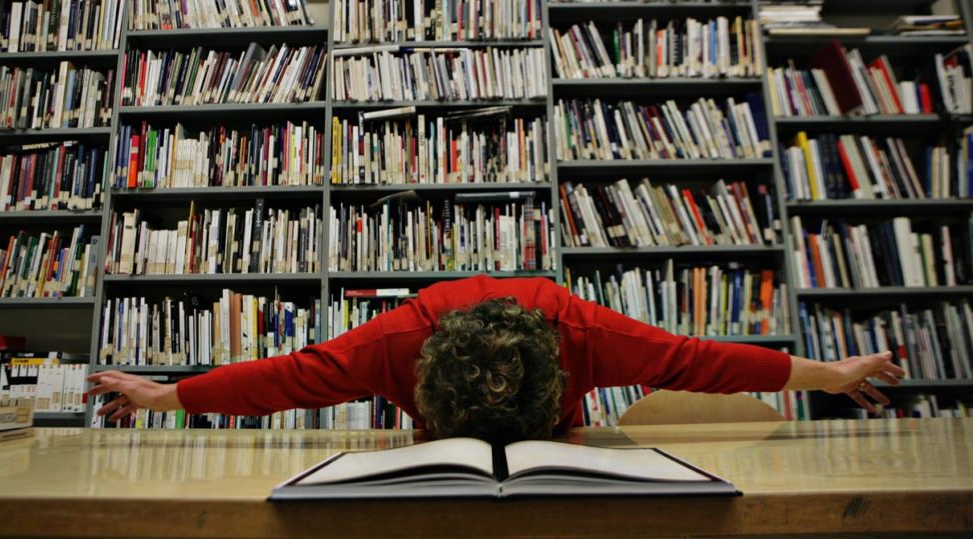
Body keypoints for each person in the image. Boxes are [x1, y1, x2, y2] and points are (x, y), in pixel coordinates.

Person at [88, 275, 903, 442]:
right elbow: (287, 377)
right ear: (416, 384)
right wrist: (166, 394)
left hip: (565, 449)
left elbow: (700, 361)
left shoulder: (584, 333)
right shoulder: (392, 345)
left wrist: (832, 375)